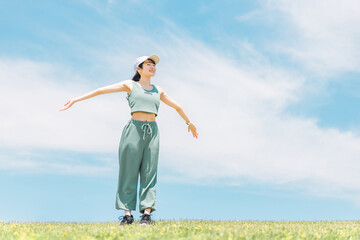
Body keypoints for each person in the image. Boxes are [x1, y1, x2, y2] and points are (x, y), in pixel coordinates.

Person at [59, 54, 199, 226]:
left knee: (150, 171)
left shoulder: (158, 90)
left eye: (153, 65)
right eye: (148, 64)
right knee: (129, 171)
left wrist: (189, 122)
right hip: (133, 130)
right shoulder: (130, 85)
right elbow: (100, 90)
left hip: (153, 132)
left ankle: (146, 214)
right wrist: (75, 99)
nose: (152, 67)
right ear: (138, 69)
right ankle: (127, 215)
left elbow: (178, 106)